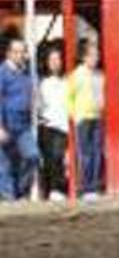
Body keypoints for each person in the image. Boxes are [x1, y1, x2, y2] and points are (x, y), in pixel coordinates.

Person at [66, 40, 105, 201]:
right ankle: (86, 186)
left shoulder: (100, 75)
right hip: (83, 118)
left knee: (96, 153)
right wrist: (74, 115)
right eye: (93, 55)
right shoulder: (76, 75)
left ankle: (94, 186)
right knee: (85, 154)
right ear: (84, 57)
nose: (96, 58)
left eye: (97, 55)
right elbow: (69, 96)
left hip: (97, 117)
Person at [0, 39, 38, 202]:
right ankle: (9, 197)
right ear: (9, 53)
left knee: (32, 156)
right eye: (16, 51)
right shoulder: (2, 73)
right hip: (6, 124)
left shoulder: (26, 73)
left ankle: (21, 192)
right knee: (5, 164)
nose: (20, 55)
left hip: (23, 125)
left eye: (22, 51)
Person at [37, 47, 69, 201]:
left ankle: (57, 188)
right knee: (52, 158)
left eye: (58, 59)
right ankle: (53, 188)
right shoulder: (42, 83)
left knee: (60, 158)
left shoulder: (67, 82)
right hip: (49, 125)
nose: (56, 63)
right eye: (52, 60)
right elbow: (38, 105)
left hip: (64, 125)